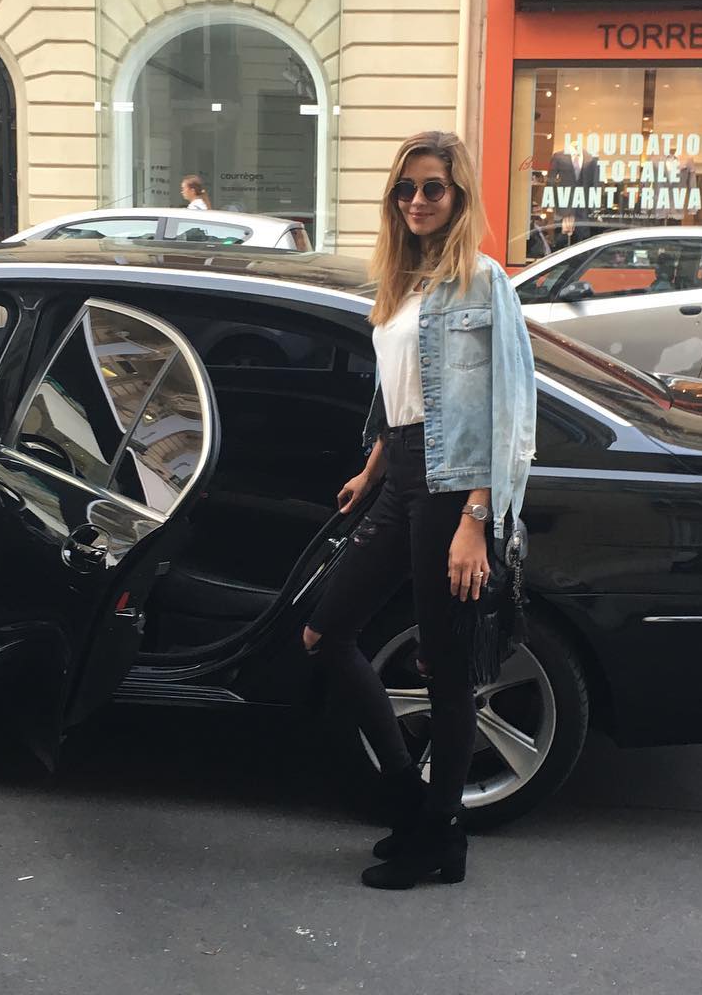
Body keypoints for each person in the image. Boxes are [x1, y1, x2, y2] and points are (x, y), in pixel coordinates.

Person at [301, 130, 537, 890]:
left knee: (445, 666)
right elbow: (398, 391)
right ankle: (412, 803)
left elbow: (510, 409)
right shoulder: (401, 283)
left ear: (459, 194)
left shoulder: (484, 282)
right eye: (405, 189)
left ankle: (439, 833)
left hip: (452, 485)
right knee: (325, 633)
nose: (416, 201)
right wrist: (373, 467)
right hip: (401, 473)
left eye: (432, 187)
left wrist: (477, 517)